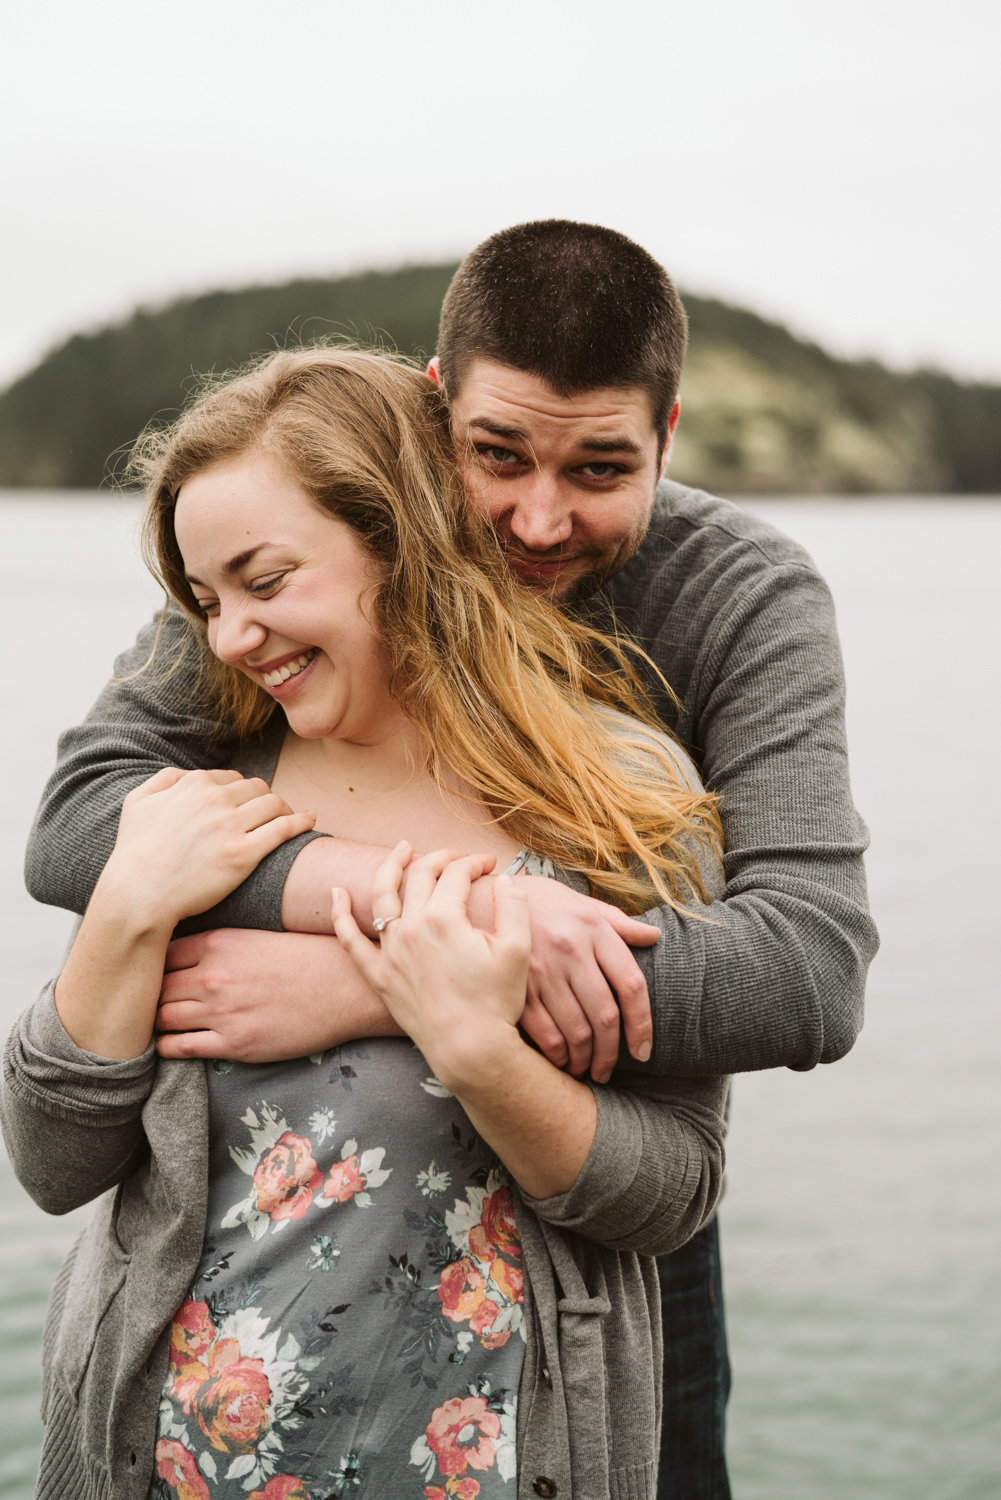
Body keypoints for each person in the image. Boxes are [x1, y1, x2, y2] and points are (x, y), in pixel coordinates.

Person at [24, 222, 879, 1499]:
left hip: (587, 1184)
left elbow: (805, 973)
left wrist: (410, 977)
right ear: (432, 419)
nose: (538, 518)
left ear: (667, 433)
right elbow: (86, 819)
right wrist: (375, 894)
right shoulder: (289, 562)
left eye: (599, 466)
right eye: (496, 455)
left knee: (657, 1447)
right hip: (223, 1374)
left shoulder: (733, 602)